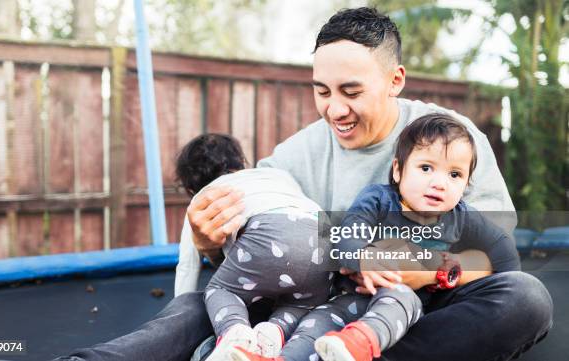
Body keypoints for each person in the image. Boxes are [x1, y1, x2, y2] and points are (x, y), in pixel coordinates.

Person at [54, 7, 552, 361]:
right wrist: (209, 245)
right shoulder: (294, 157)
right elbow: (254, 260)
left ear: (395, 80)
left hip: (422, 308)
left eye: (351, 91)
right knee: (202, 303)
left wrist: (423, 270)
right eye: (322, 91)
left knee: (524, 300)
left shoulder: (450, 142)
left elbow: (497, 251)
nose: (335, 109)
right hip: (320, 310)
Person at [230, 113, 521, 361]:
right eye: (426, 168)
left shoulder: (461, 215)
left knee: (399, 298)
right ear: (397, 170)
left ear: (466, 185)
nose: (439, 183)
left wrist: (441, 270)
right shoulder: (379, 200)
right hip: (352, 296)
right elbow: (347, 236)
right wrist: (364, 257)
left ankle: (360, 344)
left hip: (408, 304)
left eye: (454, 175)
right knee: (315, 324)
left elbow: (506, 255)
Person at [173, 133, 333, 360]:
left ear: (190, 188)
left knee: (220, 290)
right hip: (323, 235)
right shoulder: (276, 175)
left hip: (269, 234)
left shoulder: (201, 200)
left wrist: (182, 309)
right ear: (241, 163)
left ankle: (235, 334)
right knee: (302, 305)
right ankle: (273, 332)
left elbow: (187, 267)